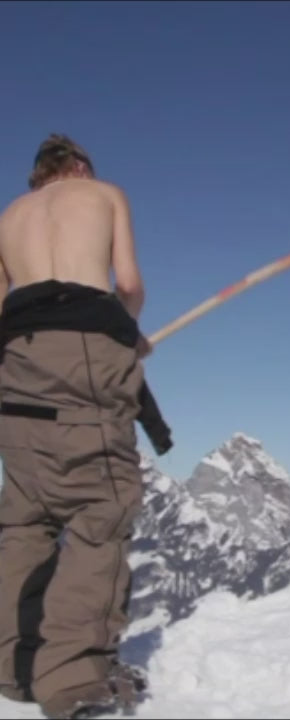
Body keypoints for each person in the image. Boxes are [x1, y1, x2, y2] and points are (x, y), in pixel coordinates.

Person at [0, 134, 171, 718]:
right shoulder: (103, 193)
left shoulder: (9, 216)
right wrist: (125, 334)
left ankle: (15, 667)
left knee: (26, 514)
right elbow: (128, 285)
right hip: (86, 350)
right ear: (78, 166)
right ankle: (74, 680)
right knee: (103, 507)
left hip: (17, 360)